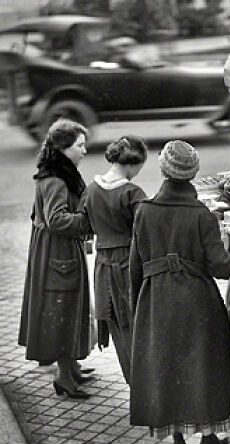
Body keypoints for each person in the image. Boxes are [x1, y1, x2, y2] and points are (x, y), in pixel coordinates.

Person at [129, 140, 230, 444]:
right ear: (192, 174)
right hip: (198, 302)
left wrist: (138, 305)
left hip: (156, 301)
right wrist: (225, 243)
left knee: (168, 371)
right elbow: (221, 268)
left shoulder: (144, 212)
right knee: (204, 370)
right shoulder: (202, 216)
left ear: (163, 170)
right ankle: (209, 437)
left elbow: (134, 266)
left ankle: (179, 443)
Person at [18, 118, 93, 399]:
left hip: (57, 251)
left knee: (68, 305)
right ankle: (64, 378)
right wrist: (87, 221)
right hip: (57, 252)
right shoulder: (56, 179)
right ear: (64, 149)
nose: (85, 150)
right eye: (80, 146)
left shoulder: (58, 172)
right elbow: (56, 219)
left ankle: (71, 366)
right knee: (63, 308)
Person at [83, 136, 148, 384]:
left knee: (117, 326)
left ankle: (133, 381)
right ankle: (144, 384)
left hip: (102, 264)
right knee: (137, 323)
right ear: (132, 164)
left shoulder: (91, 189)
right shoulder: (132, 192)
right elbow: (145, 231)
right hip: (128, 262)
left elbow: (86, 225)